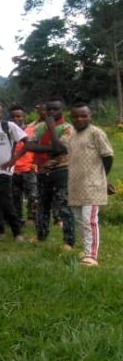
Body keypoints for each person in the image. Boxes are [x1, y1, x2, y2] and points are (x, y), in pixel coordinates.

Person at [58, 103, 114, 267]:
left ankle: (91, 256)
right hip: (75, 185)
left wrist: (103, 178)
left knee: (89, 220)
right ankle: (86, 248)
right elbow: (59, 147)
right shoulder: (71, 135)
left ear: (90, 117)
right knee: (80, 220)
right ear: (71, 118)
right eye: (75, 116)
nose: (79, 119)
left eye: (84, 116)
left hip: (93, 185)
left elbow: (108, 156)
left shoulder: (96, 133)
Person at [25, 97, 75, 248]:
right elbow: (29, 145)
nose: (52, 112)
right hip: (42, 171)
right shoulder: (39, 128)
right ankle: (41, 235)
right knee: (42, 205)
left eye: (56, 109)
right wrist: (52, 148)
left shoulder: (68, 128)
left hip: (62, 171)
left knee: (64, 206)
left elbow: (62, 148)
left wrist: (52, 128)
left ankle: (69, 241)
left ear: (63, 110)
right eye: (49, 109)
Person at [0, 101, 27, 242]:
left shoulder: (8, 126)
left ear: (2, 113)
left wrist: (13, 160)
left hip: (4, 172)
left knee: (6, 202)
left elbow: (27, 141)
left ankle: (17, 232)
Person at [9, 105, 38, 227]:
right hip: (13, 170)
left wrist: (36, 163)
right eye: (14, 116)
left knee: (33, 195)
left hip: (28, 168)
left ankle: (32, 217)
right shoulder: (7, 132)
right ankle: (18, 219)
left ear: (24, 117)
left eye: (19, 116)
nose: (17, 118)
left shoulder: (31, 131)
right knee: (15, 197)